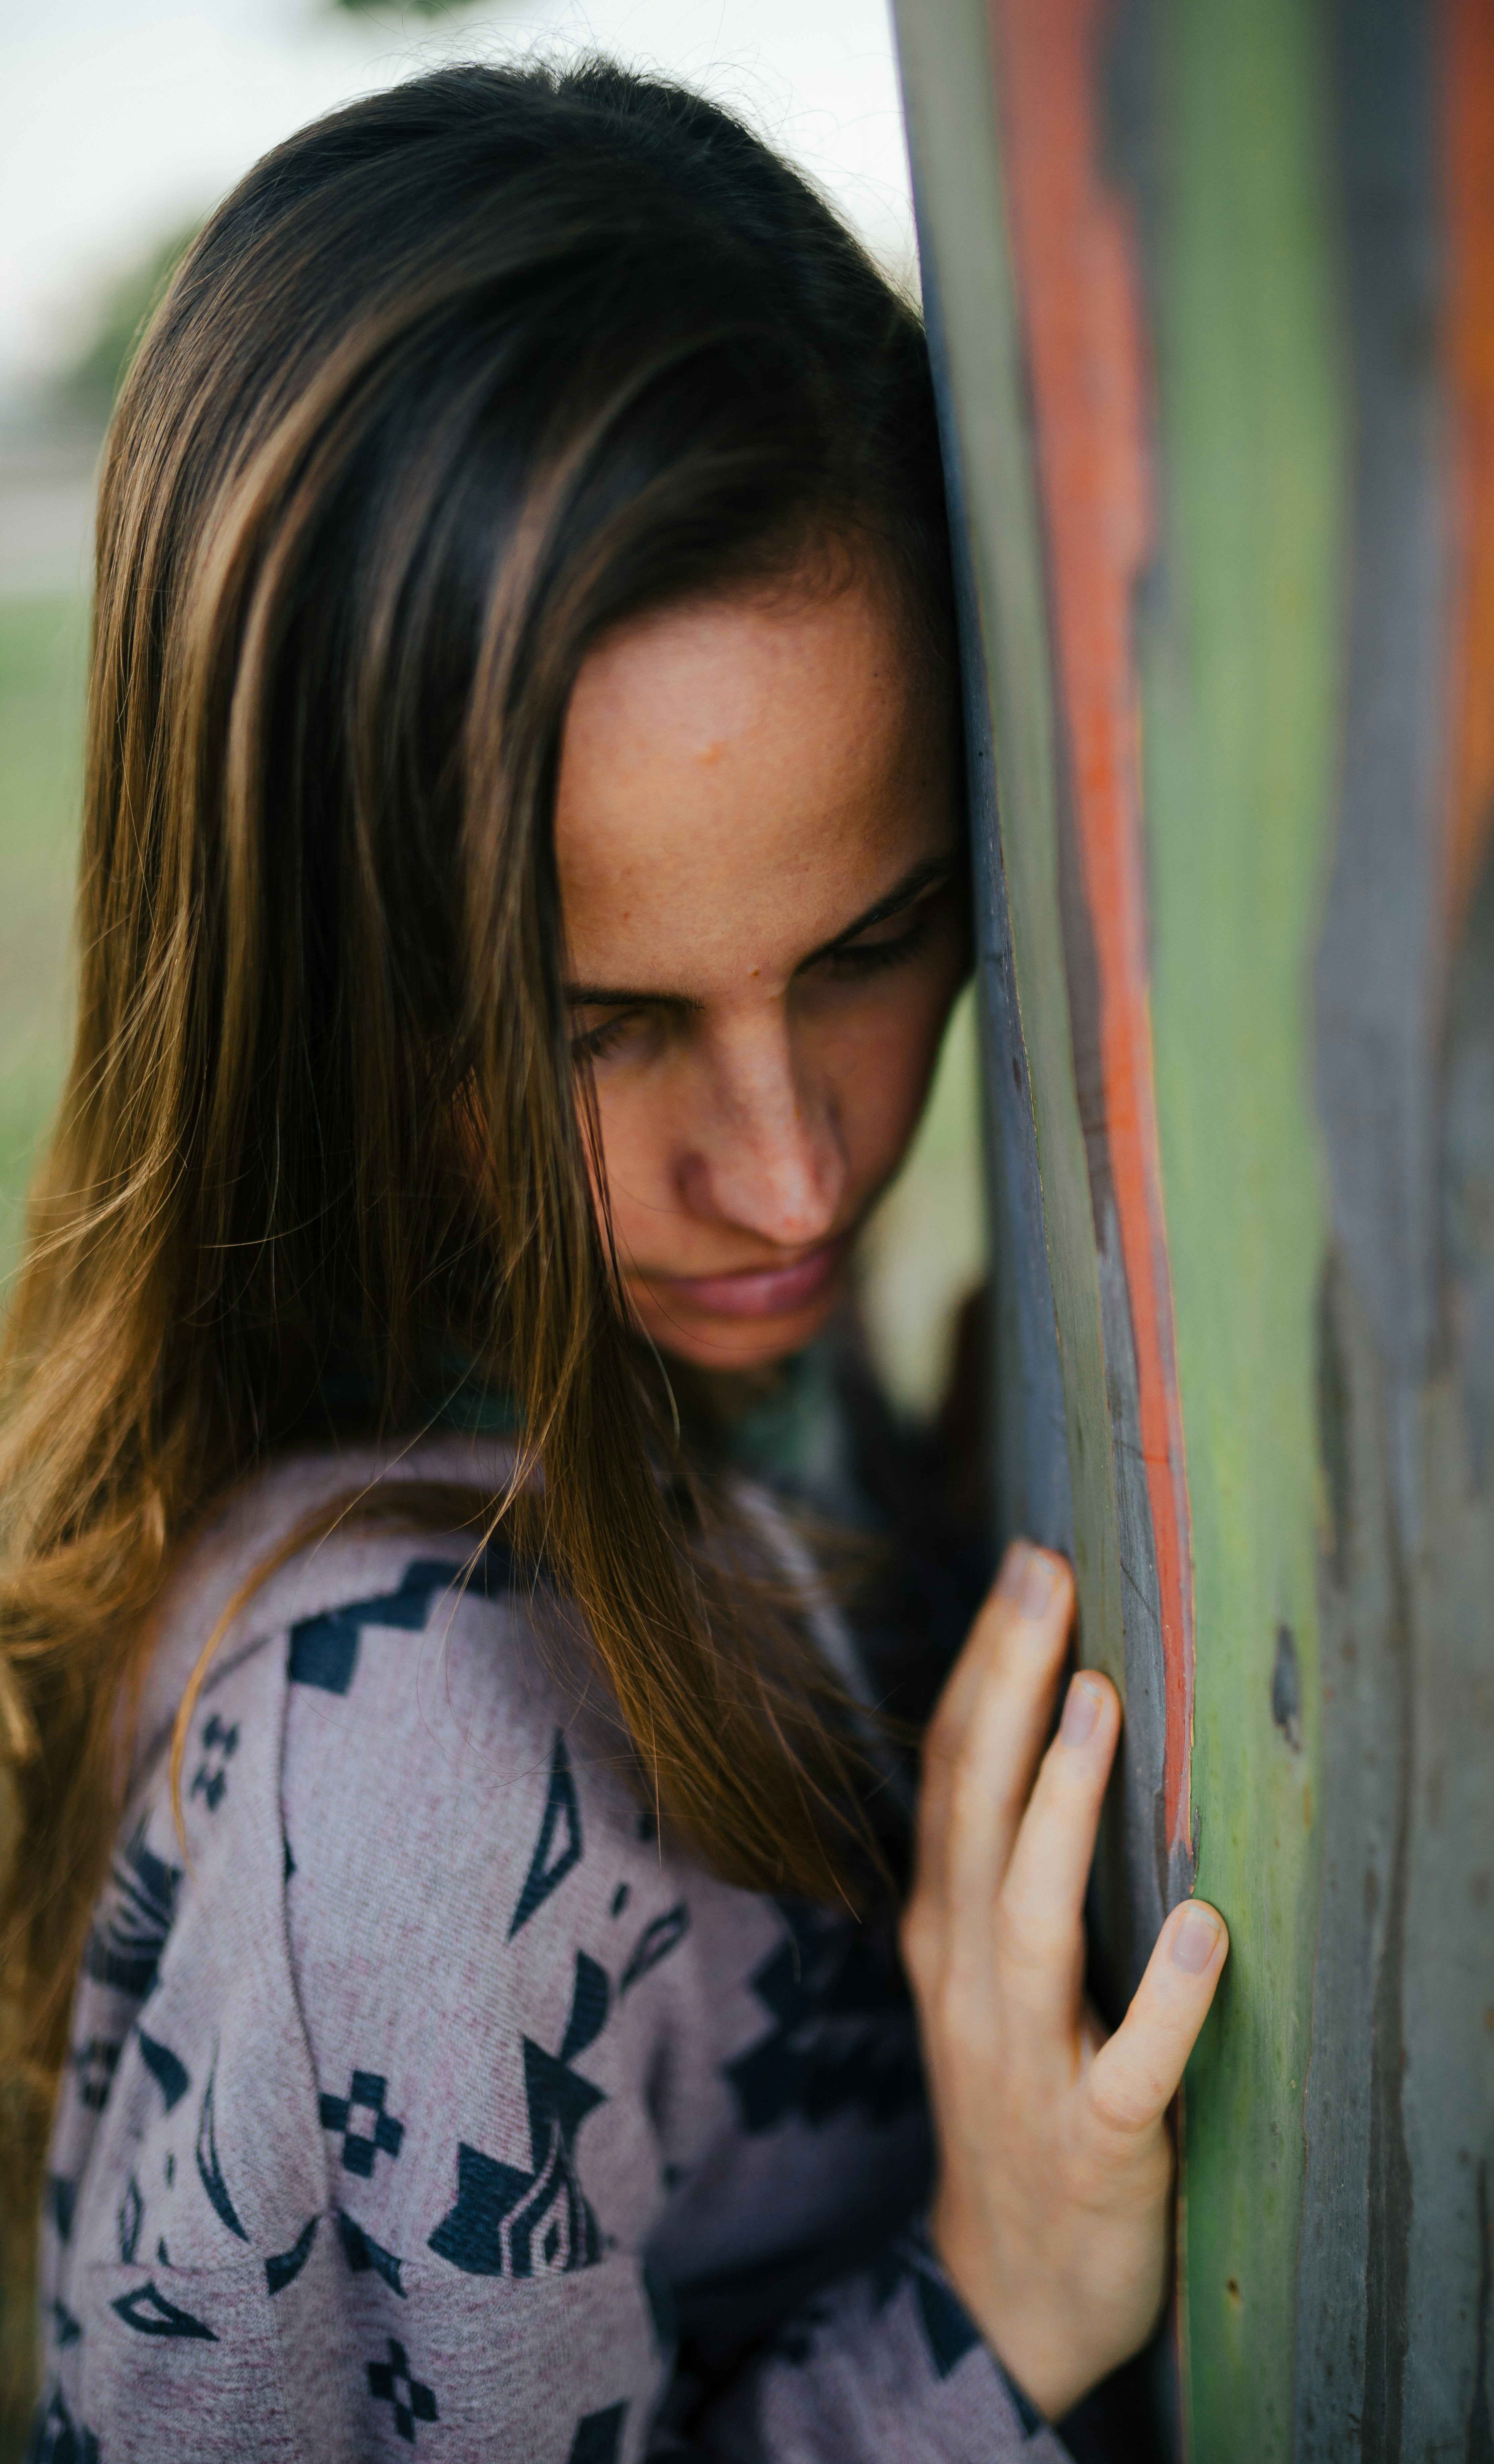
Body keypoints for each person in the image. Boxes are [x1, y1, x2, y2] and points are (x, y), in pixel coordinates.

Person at [0, 60, 1227, 2462]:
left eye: (875, 941)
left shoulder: (713, 1377)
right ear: (304, 981)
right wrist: (985, 2313)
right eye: (598, 1027)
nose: (788, 1179)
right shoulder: (388, 1754)